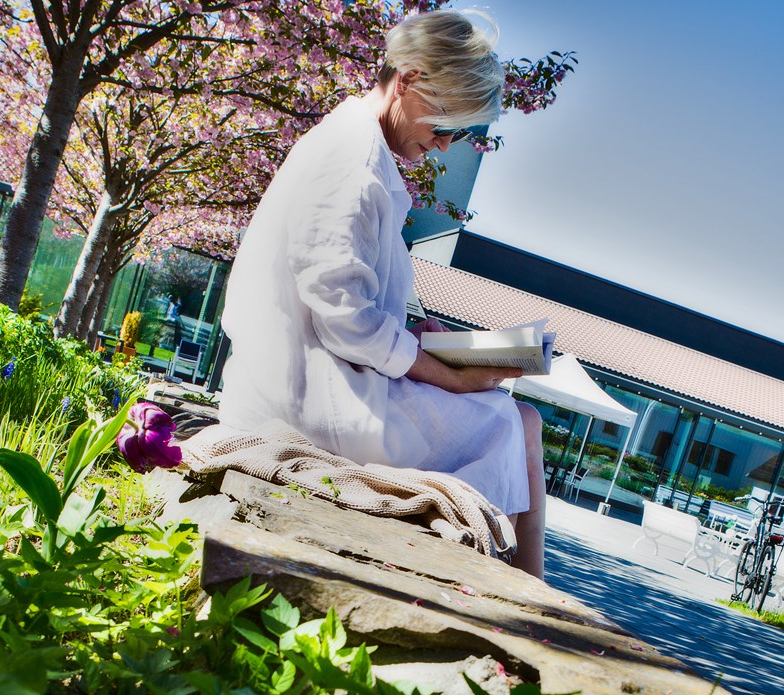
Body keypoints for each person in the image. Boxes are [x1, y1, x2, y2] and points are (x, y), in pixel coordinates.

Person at [217, 9, 547, 579]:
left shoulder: (355, 150)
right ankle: (529, 593)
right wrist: (451, 373)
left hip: (320, 382)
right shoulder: (354, 166)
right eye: (444, 126)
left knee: (522, 421)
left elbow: (343, 296)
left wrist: (420, 338)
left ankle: (527, 588)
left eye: (459, 135)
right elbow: (346, 319)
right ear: (409, 80)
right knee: (518, 425)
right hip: (310, 402)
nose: (444, 146)